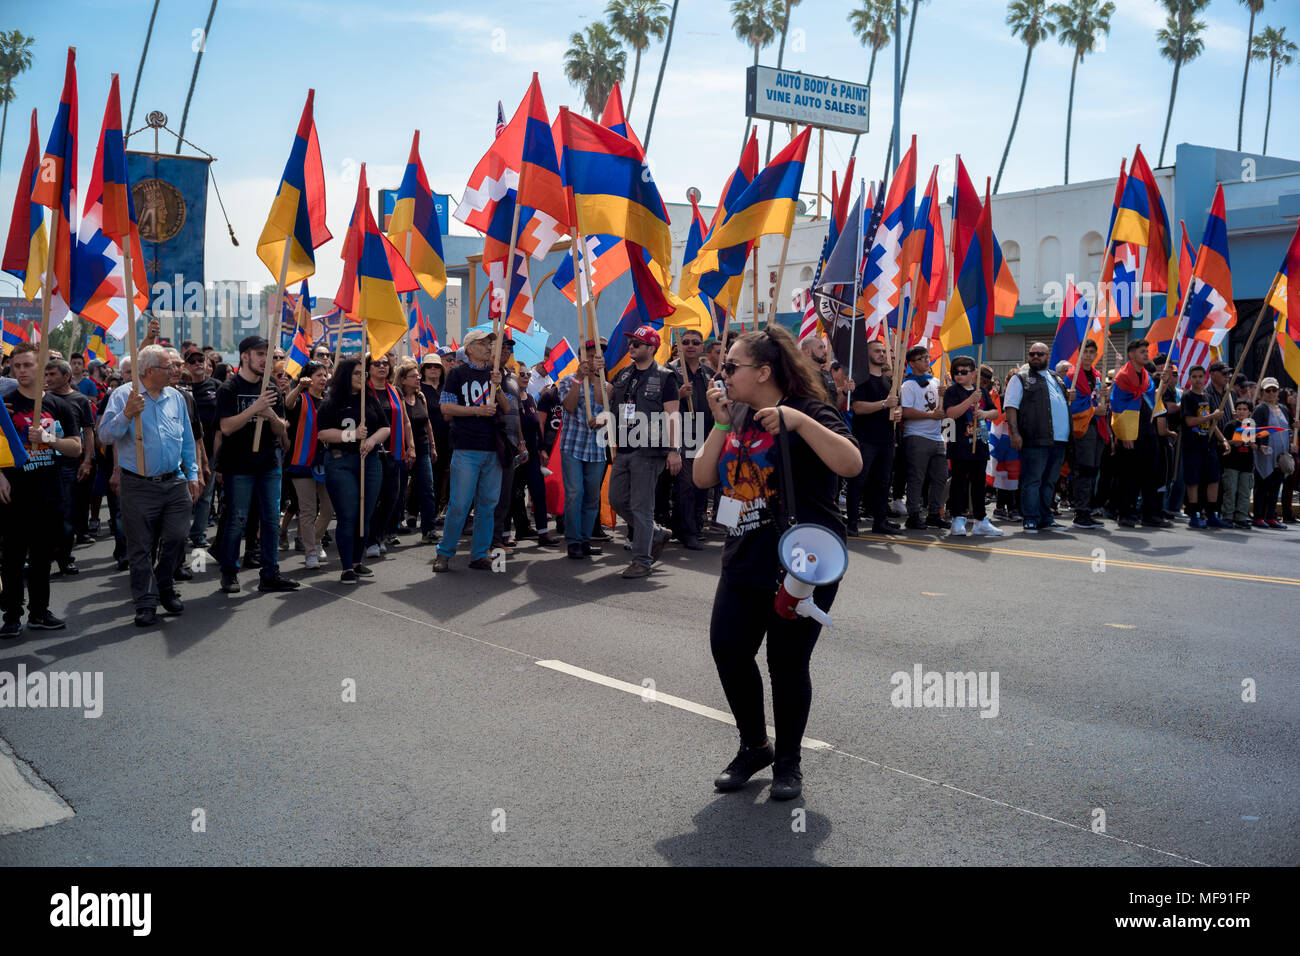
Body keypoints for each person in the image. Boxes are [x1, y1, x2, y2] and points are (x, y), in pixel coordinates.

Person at [693, 325, 861, 801]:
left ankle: (789, 762)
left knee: (786, 663)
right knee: (728, 649)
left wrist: (800, 423)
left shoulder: (811, 409)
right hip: (744, 554)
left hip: (802, 563)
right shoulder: (737, 414)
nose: (721, 372)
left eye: (731, 366)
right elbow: (703, 476)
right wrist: (721, 422)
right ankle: (754, 746)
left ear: (764, 371)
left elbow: (851, 464)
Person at [96, 345, 203, 626]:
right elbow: (105, 436)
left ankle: (164, 584)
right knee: (140, 547)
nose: (175, 371)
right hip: (138, 485)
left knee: (178, 538)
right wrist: (127, 414)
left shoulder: (177, 398)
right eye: (169, 367)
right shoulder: (123, 396)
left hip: (174, 482)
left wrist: (192, 473)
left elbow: (187, 440)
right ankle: (145, 601)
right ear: (150, 371)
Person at [0, 343, 82, 636]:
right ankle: (11, 615)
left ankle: (38, 611)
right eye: (16, 366)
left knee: (41, 557)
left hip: (48, 491)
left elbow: (76, 447)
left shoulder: (58, 405)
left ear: (40, 367)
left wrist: (49, 439)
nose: (21, 370)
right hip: (13, 492)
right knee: (11, 557)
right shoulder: (4, 404)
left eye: (27, 365)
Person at [213, 335, 299, 594]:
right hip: (239, 465)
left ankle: (270, 574)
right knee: (237, 519)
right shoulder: (229, 388)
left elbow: (281, 427)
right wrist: (255, 408)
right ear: (245, 356)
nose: (265, 359)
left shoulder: (271, 386)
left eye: (268, 354)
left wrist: (270, 412)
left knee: (271, 520)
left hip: (268, 463)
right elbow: (226, 427)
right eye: (260, 354)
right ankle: (229, 572)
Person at [433, 328, 508, 572]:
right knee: (460, 504)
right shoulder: (457, 373)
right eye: (483, 343)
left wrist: (497, 387)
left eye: (490, 343)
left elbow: (505, 408)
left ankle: (479, 554)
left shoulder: (493, 374)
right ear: (469, 349)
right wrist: (477, 410)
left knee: (487, 505)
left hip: (492, 448)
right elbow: (446, 409)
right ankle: (444, 553)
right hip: (466, 447)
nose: (489, 347)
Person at [609, 325, 680, 579]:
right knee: (617, 499)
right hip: (624, 447)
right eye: (630, 343)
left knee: (641, 507)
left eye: (637, 344)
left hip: (649, 450)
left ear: (652, 348)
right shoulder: (624, 375)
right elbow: (613, 402)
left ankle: (641, 560)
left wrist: (674, 450)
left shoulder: (665, 377)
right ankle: (656, 532)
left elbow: (673, 417)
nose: (631, 347)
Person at [318, 358, 388, 582]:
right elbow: (323, 434)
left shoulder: (370, 400)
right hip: (341, 461)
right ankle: (346, 566)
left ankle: (358, 562)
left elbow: (385, 427)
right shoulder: (332, 402)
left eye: (363, 373)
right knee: (348, 514)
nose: (362, 377)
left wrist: (372, 440)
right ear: (346, 375)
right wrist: (352, 435)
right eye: (357, 373)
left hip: (369, 460)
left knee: (365, 515)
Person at [1005, 341, 1074, 533]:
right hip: (1034, 438)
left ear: (1048, 356)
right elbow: (1011, 406)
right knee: (1032, 480)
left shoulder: (1056, 378)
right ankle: (1030, 518)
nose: (1035, 357)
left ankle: (1046, 518)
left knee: (1050, 482)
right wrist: (1015, 433)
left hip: (1059, 439)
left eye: (1040, 354)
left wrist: (1068, 398)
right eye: (1032, 354)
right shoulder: (1020, 378)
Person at [1109, 339, 1171, 529]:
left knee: (1150, 474)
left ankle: (1150, 513)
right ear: (1132, 355)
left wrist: (1165, 385)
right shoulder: (1122, 377)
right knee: (1129, 476)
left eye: (1146, 351)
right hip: (1130, 433)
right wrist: (1125, 435)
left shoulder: (1146, 377)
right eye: (1142, 351)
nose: (1146, 354)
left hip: (1147, 429)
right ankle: (1125, 513)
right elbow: (1117, 406)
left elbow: (1152, 400)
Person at [45, 358, 97, 572]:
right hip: (44, 463)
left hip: (69, 464)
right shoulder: (43, 400)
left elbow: (88, 430)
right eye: (46, 375)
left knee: (67, 512)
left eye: (53, 374)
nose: (48, 379)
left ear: (66, 376)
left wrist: (87, 460)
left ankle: (64, 557)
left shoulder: (80, 400)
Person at [558, 352, 610, 560]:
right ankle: (573, 540)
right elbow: (568, 406)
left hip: (596, 449)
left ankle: (585, 539)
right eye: (588, 356)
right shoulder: (567, 380)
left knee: (592, 497)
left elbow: (608, 412)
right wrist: (579, 378)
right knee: (574, 493)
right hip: (573, 446)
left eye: (596, 356)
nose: (592, 360)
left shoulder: (607, 385)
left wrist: (603, 419)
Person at [846, 338, 901, 535]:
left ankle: (880, 521)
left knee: (883, 482)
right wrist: (884, 404)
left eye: (883, 351)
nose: (882, 354)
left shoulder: (889, 381)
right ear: (867, 354)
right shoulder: (861, 380)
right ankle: (852, 522)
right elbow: (858, 407)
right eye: (877, 351)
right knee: (858, 480)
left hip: (886, 439)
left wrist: (897, 412)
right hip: (865, 439)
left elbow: (895, 407)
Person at [944, 355, 1001, 536]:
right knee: (959, 483)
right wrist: (969, 401)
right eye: (956, 372)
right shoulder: (952, 391)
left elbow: (995, 413)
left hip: (980, 442)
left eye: (963, 372)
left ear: (973, 373)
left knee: (979, 483)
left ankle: (980, 519)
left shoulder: (982, 391)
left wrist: (983, 413)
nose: (959, 375)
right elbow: (951, 413)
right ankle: (957, 519)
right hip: (960, 443)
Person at [283, 361, 333, 569]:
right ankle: (310, 552)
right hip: (302, 462)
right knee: (308, 510)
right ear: (308, 378)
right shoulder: (301, 398)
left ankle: (316, 539)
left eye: (325, 375)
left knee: (329, 509)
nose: (323, 379)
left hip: (325, 462)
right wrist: (298, 387)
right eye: (319, 375)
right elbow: (287, 404)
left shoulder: (329, 401)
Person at [667, 329, 713, 549]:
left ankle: (694, 523)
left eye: (696, 342)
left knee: (701, 483)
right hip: (681, 434)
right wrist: (678, 395)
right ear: (679, 346)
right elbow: (656, 403)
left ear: (702, 347)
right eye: (685, 342)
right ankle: (687, 531)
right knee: (686, 483)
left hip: (706, 434)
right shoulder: (669, 372)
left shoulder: (709, 373)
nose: (691, 345)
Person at [899, 345, 949, 530]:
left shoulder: (936, 381)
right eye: (922, 358)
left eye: (927, 357)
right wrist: (930, 416)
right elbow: (905, 411)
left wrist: (947, 393)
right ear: (912, 363)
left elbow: (942, 408)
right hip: (917, 436)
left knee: (940, 477)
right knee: (916, 478)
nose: (927, 361)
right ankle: (913, 514)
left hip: (937, 436)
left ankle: (934, 513)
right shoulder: (909, 385)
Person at [1064, 341, 1109, 529]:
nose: (1089, 355)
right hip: (1082, 427)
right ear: (1079, 353)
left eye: (1092, 352)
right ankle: (1081, 511)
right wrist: (1094, 410)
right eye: (1086, 352)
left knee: (1093, 470)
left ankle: (1087, 509)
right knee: (1084, 469)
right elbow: (1072, 405)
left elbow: (1096, 398)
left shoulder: (1097, 375)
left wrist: (1104, 394)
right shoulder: (1072, 376)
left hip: (1097, 426)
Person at [395, 358, 440, 545]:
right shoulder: (397, 397)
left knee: (427, 490)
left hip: (422, 450)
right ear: (403, 379)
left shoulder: (421, 397)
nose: (418, 379)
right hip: (401, 450)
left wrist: (433, 445)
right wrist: (407, 448)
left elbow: (427, 422)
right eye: (414, 376)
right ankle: (392, 526)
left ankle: (428, 529)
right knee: (397, 492)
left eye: (418, 376)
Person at [1179, 366, 1230, 528]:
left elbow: (1212, 424)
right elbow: (1190, 421)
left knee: (1213, 479)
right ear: (1190, 378)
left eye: (1200, 376)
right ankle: (1194, 514)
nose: (1197, 380)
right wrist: (1212, 416)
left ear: (1205, 377)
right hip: (1192, 444)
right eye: (1194, 377)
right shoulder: (1187, 396)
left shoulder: (1207, 396)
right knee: (1193, 480)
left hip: (1208, 445)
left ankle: (1212, 515)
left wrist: (1223, 440)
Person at [1252, 377, 1295, 529]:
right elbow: (1252, 431)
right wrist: (1258, 446)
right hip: (1265, 453)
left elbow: (1289, 429)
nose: (1271, 393)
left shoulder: (1283, 409)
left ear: (1278, 392)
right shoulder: (1260, 409)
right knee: (1262, 485)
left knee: (1275, 487)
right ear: (1262, 392)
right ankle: (1258, 517)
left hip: (1281, 454)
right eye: (1268, 390)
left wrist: (1291, 444)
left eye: (1274, 390)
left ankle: (1270, 516)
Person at [419, 354, 451, 526]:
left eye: (436, 366)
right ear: (423, 369)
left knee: (440, 476)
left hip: (447, 438)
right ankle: (414, 511)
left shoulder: (446, 388)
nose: (433, 369)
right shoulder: (419, 389)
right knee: (424, 478)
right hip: (426, 438)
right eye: (429, 366)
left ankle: (436, 511)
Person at [1220, 402, 1255, 529]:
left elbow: (1257, 446)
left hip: (1247, 465)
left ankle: (1241, 517)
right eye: (1239, 409)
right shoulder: (1231, 425)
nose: (1241, 412)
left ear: (1249, 412)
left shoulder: (1252, 427)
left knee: (1245, 492)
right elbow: (1223, 442)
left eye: (1244, 409)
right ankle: (1228, 516)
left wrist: (1253, 444)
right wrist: (1235, 442)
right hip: (1232, 463)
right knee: (1230, 490)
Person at [798, 334, 837, 408]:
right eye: (820, 348)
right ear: (808, 352)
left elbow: (835, 404)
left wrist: (845, 392)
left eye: (824, 347)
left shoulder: (827, 374)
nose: (825, 351)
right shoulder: (801, 375)